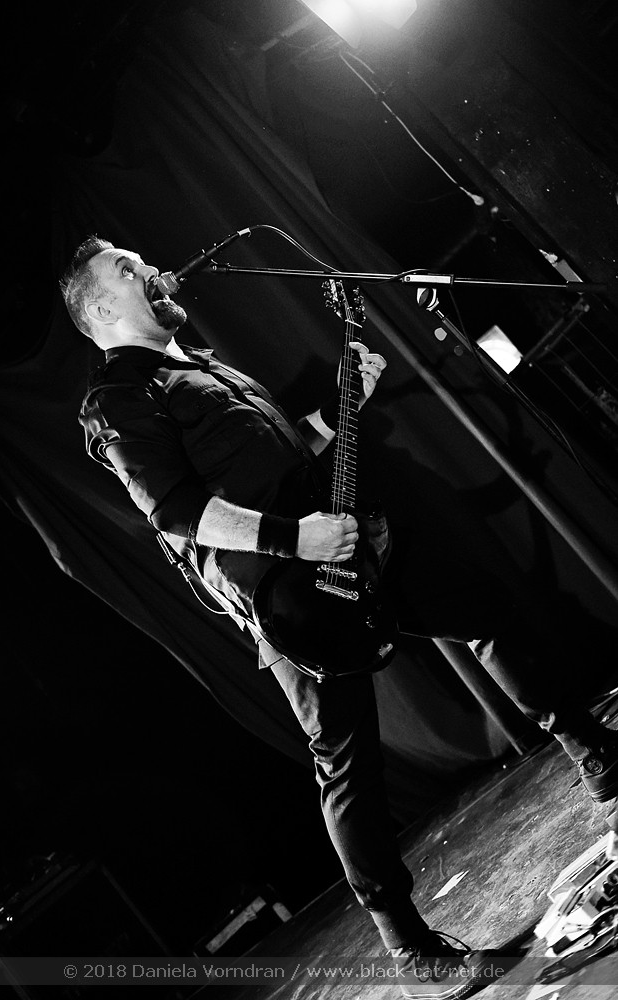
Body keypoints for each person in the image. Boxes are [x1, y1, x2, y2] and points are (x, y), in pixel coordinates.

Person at [61, 234, 618, 999]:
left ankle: (595, 753)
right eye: (127, 268)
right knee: (346, 762)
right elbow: (177, 511)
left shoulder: (202, 364)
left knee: (480, 609)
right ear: (99, 310)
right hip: (286, 597)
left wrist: (340, 405)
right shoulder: (117, 398)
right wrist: (294, 540)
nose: (152, 267)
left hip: (346, 548)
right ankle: (411, 949)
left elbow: (283, 455)